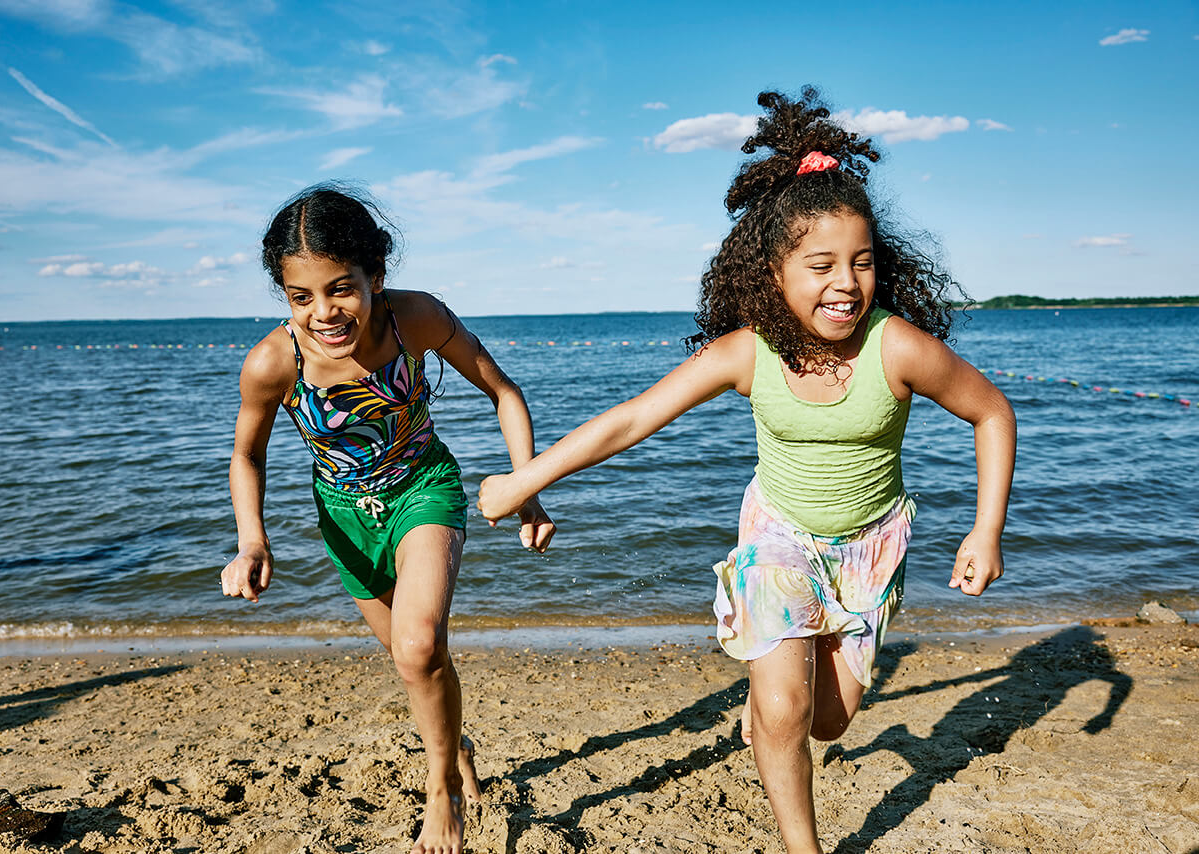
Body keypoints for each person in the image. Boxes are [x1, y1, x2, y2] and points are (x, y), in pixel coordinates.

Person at [476, 88, 1015, 854]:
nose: (846, 283)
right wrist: (526, 480)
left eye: (862, 263)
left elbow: (992, 413)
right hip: (779, 539)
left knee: (827, 721)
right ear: (775, 270)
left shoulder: (897, 347)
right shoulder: (745, 351)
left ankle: (772, 712)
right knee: (789, 713)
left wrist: (984, 529)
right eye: (822, 264)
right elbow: (631, 419)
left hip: (869, 549)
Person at [221, 184, 555, 854]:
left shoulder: (417, 320)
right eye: (301, 297)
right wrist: (251, 540)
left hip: (423, 490)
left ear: (375, 275)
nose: (324, 312)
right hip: (347, 523)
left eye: (341, 288)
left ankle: (443, 794)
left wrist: (527, 486)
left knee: (419, 646)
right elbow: (246, 455)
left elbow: (502, 390)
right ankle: (452, 746)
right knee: (415, 661)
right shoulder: (272, 364)